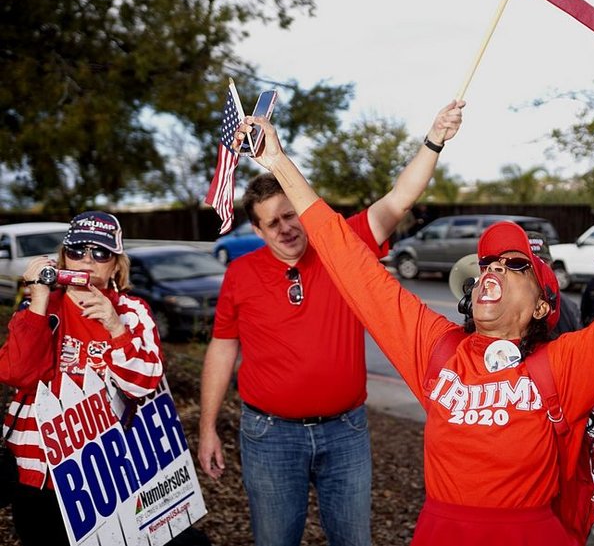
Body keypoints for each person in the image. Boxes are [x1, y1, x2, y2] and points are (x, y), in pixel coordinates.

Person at [232, 112, 594, 544]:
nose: (492, 269)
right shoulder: (435, 352)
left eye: (513, 264)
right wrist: (280, 163)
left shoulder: (564, 366)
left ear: (543, 306)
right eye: (488, 263)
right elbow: (347, 258)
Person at [197, 101, 464, 546]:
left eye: (290, 215)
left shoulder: (345, 245)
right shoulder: (240, 274)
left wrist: (435, 138)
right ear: (258, 232)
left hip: (346, 432)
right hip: (270, 436)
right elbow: (223, 347)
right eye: (272, 223)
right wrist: (207, 428)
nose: (285, 228)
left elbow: (399, 199)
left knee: (353, 540)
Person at [0, 211, 164, 546]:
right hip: (36, 469)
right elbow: (16, 374)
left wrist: (115, 328)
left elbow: (145, 383)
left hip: (105, 471)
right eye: (76, 251)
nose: (86, 260)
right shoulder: (40, 308)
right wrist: (39, 299)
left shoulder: (133, 311)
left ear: (116, 265)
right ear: (63, 258)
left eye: (100, 253)